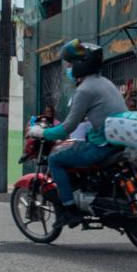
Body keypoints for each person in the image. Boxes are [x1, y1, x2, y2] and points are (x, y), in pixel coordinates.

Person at [28, 41, 126, 217]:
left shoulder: (85, 90)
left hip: (103, 146)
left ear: (81, 65)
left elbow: (67, 128)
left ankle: (69, 209)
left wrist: (42, 132)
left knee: (56, 159)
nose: (69, 68)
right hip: (116, 141)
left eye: (71, 64)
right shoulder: (105, 83)